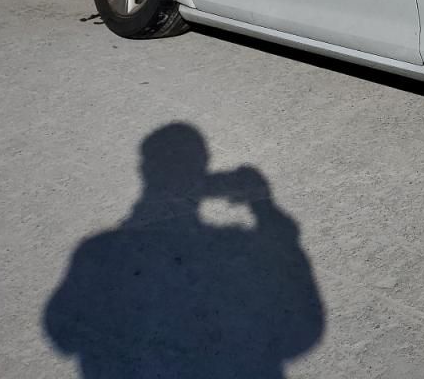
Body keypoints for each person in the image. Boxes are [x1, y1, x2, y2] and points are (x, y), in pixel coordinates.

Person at [43, 123, 324, 378]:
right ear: (203, 173)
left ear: (144, 171)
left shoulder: (99, 254)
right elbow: (304, 329)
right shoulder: (240, 250)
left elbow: (62, 334)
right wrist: (264, 206)